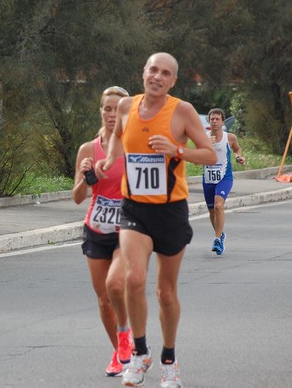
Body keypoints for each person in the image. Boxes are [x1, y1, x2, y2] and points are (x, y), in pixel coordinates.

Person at [95, 53, 217, 388]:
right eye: (153, 70)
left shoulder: (182, 111)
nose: (158, 77)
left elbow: (208, 153)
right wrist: (109, 159)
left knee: (165, 292)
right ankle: (139, 352)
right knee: (134, 278)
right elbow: (119, 136)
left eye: (166, 73)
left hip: (171, 210)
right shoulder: (126, 107)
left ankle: (169, 358)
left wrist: (176, 150)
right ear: (143, 72)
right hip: (134, 208)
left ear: (173, 80)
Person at [72, 86, 133, 377]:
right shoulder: (88, 148)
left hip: (128, 228)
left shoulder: (135, 147)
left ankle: (126, 336)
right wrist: (85, 177)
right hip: (96, 226)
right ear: (101, 111)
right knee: (103, 300)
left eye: (118, 109)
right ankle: (120, 352)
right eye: (107, 109)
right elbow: (77, 196)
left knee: (115, 285)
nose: (112, 114)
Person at [202, 108, 245, 255]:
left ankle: (217, 239)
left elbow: (237, 149)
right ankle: (220, 234)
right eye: (212, 119)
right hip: (208, 177)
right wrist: (206, 145)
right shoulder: (203, 137)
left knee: (219, 205)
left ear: (222, 121)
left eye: (217, 119)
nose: (214, 121)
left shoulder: (230, 137)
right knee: (212, 210)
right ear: (209, 121)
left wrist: (239, 157)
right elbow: (198, 155)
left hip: (224, 177)